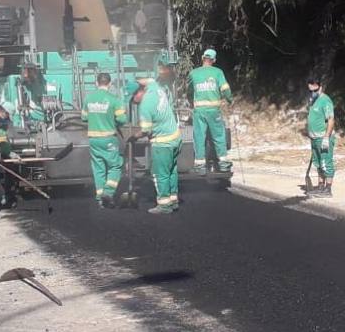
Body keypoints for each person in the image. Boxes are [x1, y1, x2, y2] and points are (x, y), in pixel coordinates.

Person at [131, 75, 181, 214]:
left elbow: (146, 130)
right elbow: (151, 80)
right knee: (171, 171)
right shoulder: (156, 89)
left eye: (133, 99)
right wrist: (141, 79)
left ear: (138, 92)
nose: (134, 103)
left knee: (160, 174)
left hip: (162, 143)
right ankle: (173, 200)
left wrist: (133, 137)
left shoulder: (145, 104)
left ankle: (164, 205)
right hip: (175, 138)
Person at [82, 73, 128, 207]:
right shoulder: (114, 99)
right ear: (110, 84)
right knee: (116, 165)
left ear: (96, 83)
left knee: (98, 168)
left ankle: (100, 199)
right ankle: (108, 192)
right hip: (108, 139)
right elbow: (122, 119)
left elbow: (84, 118)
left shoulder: (88, 98)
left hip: (93, 140)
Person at [188, 49, 233, 174]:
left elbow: (189, 91)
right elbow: (225, 89)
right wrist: (230, 100)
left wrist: (191, 102)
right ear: (214, 60)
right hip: (214, 111)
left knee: (199, 137)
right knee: (219, 136)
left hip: (199, 112)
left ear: (202, 58)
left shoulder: (193, 73)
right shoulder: (218, 72)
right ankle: (223, 165)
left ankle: (200, 167)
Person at [306, 76, 336, 197]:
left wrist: (326, 137)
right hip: (314, 138)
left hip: (323, 138)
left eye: (314, 90)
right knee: (318, 163)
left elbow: (331, 120)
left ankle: (328, 189)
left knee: (325, 162)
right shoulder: (313, 101)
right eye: (310, 91)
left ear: (320, 87)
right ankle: (320, 186)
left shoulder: (326, 101)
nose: (312, 93)